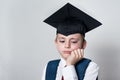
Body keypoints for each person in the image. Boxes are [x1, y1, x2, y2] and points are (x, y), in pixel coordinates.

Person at [41, 3, 102, 80]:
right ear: (56, 42)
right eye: (62, 41)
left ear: (83, 44)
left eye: (74, 42)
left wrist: (69, 65)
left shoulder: (90, 67)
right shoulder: (49, 66)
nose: (67, 45)